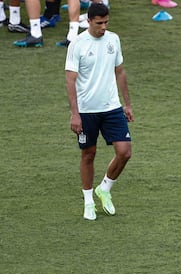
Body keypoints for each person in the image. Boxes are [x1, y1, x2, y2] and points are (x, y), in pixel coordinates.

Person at [65, 2, 134, 220]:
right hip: (87, 111)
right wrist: (75, 114)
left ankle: (104, 188)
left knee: (124, 152)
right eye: (99, 23)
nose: (103, 27)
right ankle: (88, 202)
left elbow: (120, 71)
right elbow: (70, 79)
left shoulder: (113, 39)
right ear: (89, 21)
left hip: (112, 107)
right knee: (89, 154)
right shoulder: (78, 44)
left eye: (106, 22)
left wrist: (127, 103)